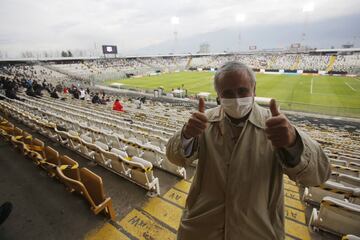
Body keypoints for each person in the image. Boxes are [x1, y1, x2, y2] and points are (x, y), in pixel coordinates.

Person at [166, 61, 331, 240]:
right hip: (201, 230)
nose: (236, 98)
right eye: (228, 93)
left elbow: (320, 174)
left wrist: (293, 143)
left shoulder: (277, 126)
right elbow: (174, 157)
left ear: (254, 90)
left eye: (243, 91)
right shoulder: (203, 122)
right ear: (219, 96)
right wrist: (186, 135)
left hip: (258, 232)